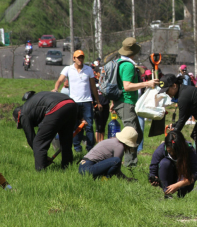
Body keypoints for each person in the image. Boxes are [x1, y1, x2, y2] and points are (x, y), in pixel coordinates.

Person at [110, 38, 159, 167]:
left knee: (138, 134)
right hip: (126, 103)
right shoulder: (128, 65)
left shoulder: (120, 62)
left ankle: (124, 160)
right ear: (133, 51)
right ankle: (129, 165)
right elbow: (126, 86)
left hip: (123, 102)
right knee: (132, 135)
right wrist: (147, 83)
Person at [13, 91, 79, 171]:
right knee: (66, 140)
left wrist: (41, 157)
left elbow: (31, 139)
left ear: (18, 116)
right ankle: (67, 167)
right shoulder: (33, 105)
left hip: (57, 107)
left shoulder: (23, 114)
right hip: (71, 104)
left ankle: (40, 171)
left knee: (38, 142)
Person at [53, 50, 102, 152]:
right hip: (73, 102)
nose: (80, 60)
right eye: (78, 58)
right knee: (75, 126)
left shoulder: (88, 69)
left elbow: (93, 86)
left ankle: (90, 149)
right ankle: (77, 148)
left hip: (87, 101)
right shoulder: (68, 69)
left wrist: (97, 101)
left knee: (89, 126)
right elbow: (60, 80)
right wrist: (56, 89)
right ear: (74, 59)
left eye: (82, 57)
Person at [149, 131, 197, 198]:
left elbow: (196, 172)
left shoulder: (189, 149)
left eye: (175, 151)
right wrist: (154, 178)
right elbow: (153, 170)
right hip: (169, 176)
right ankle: (167, 194)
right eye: (169, 151)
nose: (172, 154)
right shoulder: (160, 150)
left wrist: (178, 185)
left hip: (184, 180)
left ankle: (181, 194)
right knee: (164, 163)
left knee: (184, 165)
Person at [93, 67, 110, 143]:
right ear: (96, 73)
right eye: (101, 72)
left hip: (106, 104)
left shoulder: (106, 81)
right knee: (98, 125)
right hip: (97, 105)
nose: (102, 74)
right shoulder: (93, 81)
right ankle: (97, 142)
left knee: (103, 124)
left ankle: (102, 142)